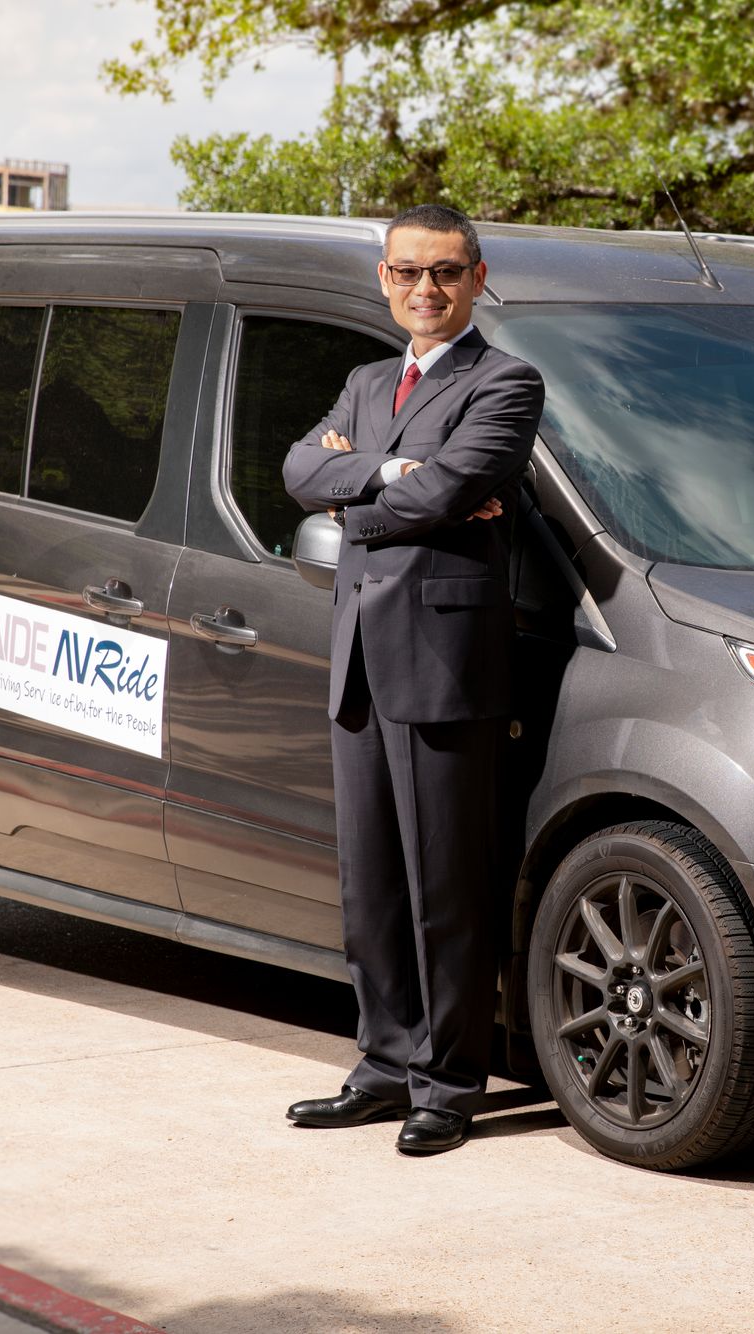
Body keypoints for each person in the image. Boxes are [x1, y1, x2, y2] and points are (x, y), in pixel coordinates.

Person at [279, 204, 545, 1156]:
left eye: (443, 272)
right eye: (406, 273)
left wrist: (375, 490)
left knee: (446, 884)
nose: (423, 290)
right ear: (383, 280)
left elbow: (449, 488)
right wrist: (394, 475)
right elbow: (299, 469)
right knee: (374, 888)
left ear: (478, 277)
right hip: (358, 661)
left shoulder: (506, 382)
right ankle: (383, 1063)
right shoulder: (362, 381)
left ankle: (446, 1082)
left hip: (443, 666)